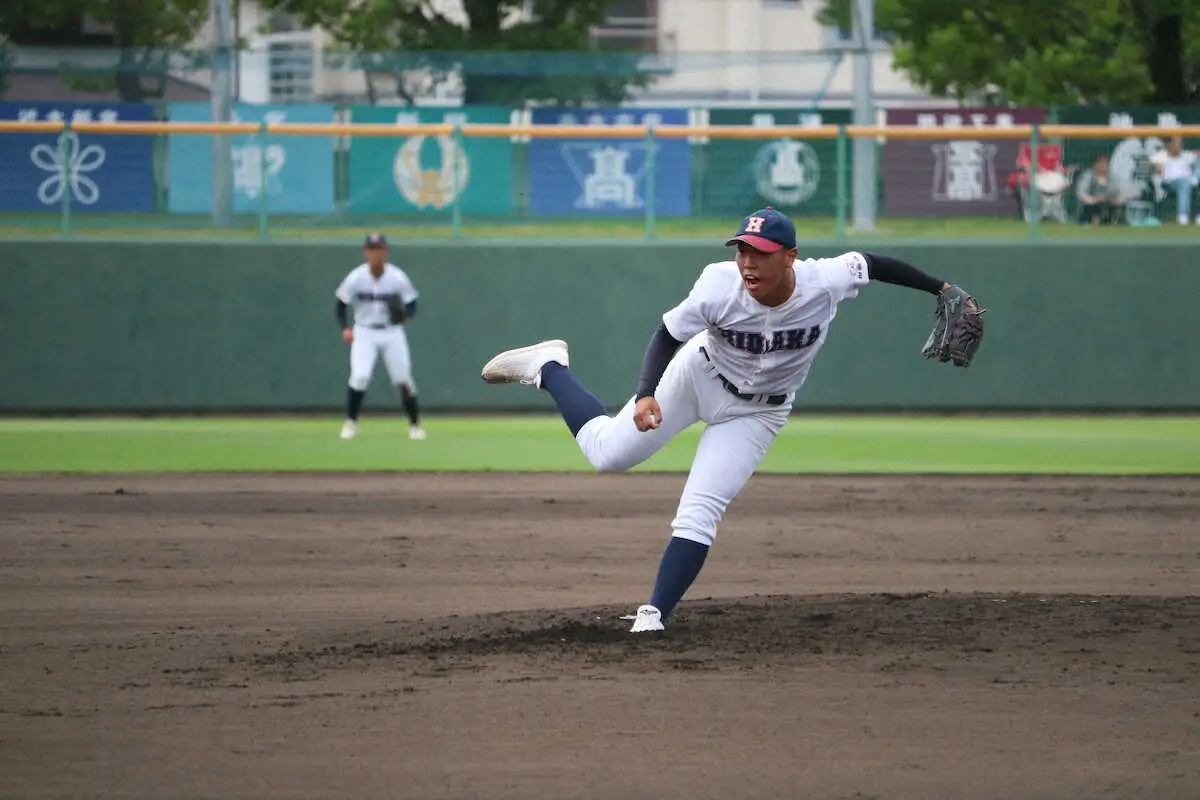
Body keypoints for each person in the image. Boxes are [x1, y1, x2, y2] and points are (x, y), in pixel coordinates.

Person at [480, 208, 981, 633]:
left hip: (758, 411)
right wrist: (645, 393)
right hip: (699, 375)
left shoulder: (824, 280)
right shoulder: (717, 284)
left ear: (789, 257)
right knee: (608, 454)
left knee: (702, 506)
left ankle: (653, 614)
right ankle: (548, 366)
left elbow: (875, 264)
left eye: (760, 252)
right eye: (742, 250)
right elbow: (667, 333)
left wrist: (941, 288)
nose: (747, 262)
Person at [334, 233, 425, 441]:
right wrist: (345, 327)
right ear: (366, 252)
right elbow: (340, 303)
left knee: (402, 379)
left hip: (391, 332)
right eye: (371, 249)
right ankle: (351, 423)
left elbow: (412, 304)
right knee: (360, 376)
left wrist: (404, 315)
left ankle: (415, 425)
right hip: (364, 331)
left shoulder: (397, 277)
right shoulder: (356, 277)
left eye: (379, 249)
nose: (375, 253)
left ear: (385, 252)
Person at [1149, 136, 1200, 225]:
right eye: (1177, 143)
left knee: (1191, 176)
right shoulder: (1161, 155)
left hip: (1189, 182)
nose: (1180, 145)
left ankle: (1197, 216)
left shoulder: (1185, 155)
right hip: (1169, 183)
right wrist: (1156, 166)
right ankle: (1183, 215)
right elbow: (1151, 163)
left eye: (1181, 143)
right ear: (1169, 145)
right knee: (1184, 182)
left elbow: (1196, 155)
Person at [1076, 153, 1123, 225]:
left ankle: (1114, 223)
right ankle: (1093, 222)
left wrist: (1105, 184)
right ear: (1095, 164)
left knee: (1119, 206)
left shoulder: (1112, 176)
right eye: (1100, 163)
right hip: (1092, 203)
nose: (1103, 165)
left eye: (1105, 163)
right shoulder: (1087, 176)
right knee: (1093, 207)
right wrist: (1093, 199)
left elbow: (1116, 191)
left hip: (1108, 202)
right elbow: (1081, 193)